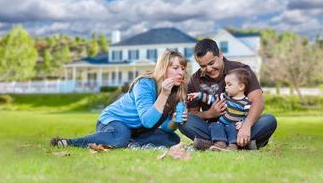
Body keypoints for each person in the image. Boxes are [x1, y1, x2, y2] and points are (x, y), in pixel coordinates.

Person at [51, 49, 188, 148]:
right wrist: (163, 95)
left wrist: (174, 122)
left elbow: (163, 126)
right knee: (120, 137)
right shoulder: (145, 84)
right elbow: (147, 121)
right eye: (176, 68)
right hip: (114, 121)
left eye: (182, 68)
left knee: (172, 139)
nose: (181, 72)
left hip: (137, 130)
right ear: (163, 68)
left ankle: (131, 142)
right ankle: (71, 142)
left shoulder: (175, 91)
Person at [179, 38, 277, 150]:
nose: (209, 69)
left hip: (239, 127)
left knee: (269, 120)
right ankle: (240, 145)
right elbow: (193, 114)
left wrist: (246, 126)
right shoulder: (195, 80)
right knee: (184, 120)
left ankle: (210, 145)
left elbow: (258, 101)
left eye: (211, 63)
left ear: (220, 55)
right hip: (214, 130)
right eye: (203, 66)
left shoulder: (241, 70)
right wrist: (209, 114)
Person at [187, 68, 252, 151]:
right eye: (225, 84)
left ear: (241, 86)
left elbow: (248, 116)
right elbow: (211, 99)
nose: (226, 87)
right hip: (221, 125)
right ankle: (220, 143)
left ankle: (233, 145)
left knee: (232, 128)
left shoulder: (246, 103)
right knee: (214, 125)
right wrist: (199, 95)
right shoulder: (224, 97)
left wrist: (243, 123)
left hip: (233, 127)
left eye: (229, 85)